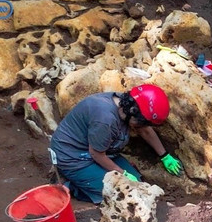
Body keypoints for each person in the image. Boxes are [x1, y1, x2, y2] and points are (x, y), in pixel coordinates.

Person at [49, 84, 183, 204]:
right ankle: (70, 186)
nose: (143, 126)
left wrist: (165, 156)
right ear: (133, 113)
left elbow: (144, 130)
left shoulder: (126, 104)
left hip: (101, 149)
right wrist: (122, 173)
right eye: (143, 122)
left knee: (137, 182)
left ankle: (89, 178)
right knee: (119, 194)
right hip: (73, 156)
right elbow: (96, 154)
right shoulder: (105, 120)